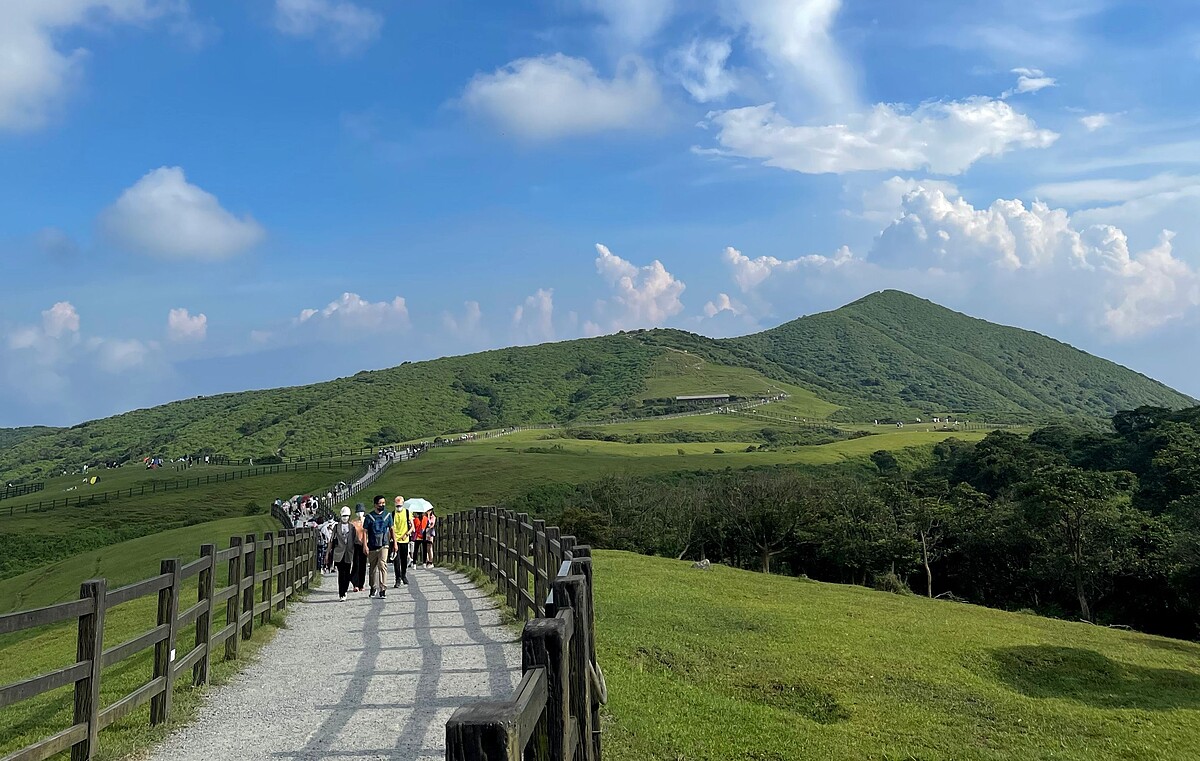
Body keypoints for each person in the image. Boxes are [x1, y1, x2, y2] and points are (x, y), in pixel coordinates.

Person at [325, 507, 366, 601]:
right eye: (343, 516)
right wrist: (327, 554)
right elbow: (331, 541)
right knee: (341, 573)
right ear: (340, 516)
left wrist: (365, 545)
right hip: (339, 552)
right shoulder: (336, 527)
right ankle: (341, 593)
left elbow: (356, 540)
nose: (345, 518)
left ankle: (345, 590)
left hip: (349, 553)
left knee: (347, 573)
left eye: (346, 516)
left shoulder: (352, 527)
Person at [363, 495, 394, 598]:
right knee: (372, 568)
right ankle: (373, 587)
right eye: (380, 503)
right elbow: (365, 531)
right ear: (375, 504)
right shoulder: (369, 517)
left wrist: (395, 543)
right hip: (372, 545)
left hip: (384, 544)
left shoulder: (388, 515)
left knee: (382, 565)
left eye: (383, 503)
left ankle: (383, 588)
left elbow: (391, 529)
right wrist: (365, 545)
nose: (382, 505)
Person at [391, 496, 412, 588]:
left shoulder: (407, 513)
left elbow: (412, 527)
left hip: (404, 540)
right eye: (397, 505)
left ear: (403, 504)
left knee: (404, 560)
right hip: (395, 540)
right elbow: (391, 528)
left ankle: (403, 575)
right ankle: (398, 578)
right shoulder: (392, 514)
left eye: (400, 505)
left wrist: (406, 534)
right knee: (396, 560)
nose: (398, 507)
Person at [350, 505, 368, 592]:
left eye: (361, 511)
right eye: (358, 511)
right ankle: (355, 584)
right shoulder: (353, 522)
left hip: (365, 544)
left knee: (363, 564)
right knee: (356, 564)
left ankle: (361, 584)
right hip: (356, 545)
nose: (360, 513)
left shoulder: (367, 521)